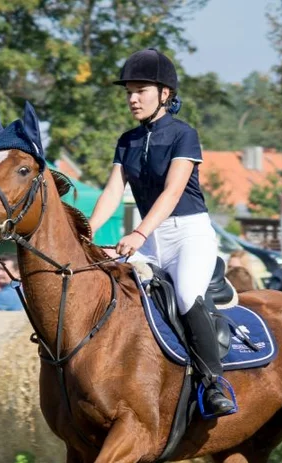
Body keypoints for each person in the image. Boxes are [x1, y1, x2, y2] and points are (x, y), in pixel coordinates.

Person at [87, 48, 235, 416]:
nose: (132, 98)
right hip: (151, 237)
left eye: (141, 90)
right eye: (128, 92)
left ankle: (213, 383)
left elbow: (172, 193)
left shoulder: (185, 135)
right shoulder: (127, 140)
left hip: (189, 235)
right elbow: (111, 192)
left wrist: (137, 234)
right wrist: (86, 233)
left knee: (186, 296)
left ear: (164, 94)